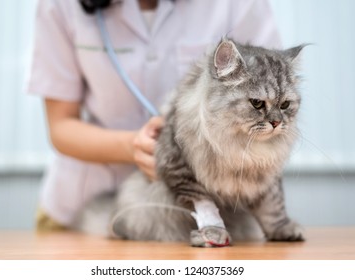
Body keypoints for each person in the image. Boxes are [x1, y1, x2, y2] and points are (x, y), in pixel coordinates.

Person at [27, 0, 281, 231]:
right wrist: (131, 147)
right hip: (84, 211)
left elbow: (275, 96)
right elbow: (60, 126)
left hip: (223, 213)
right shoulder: (59, 5)